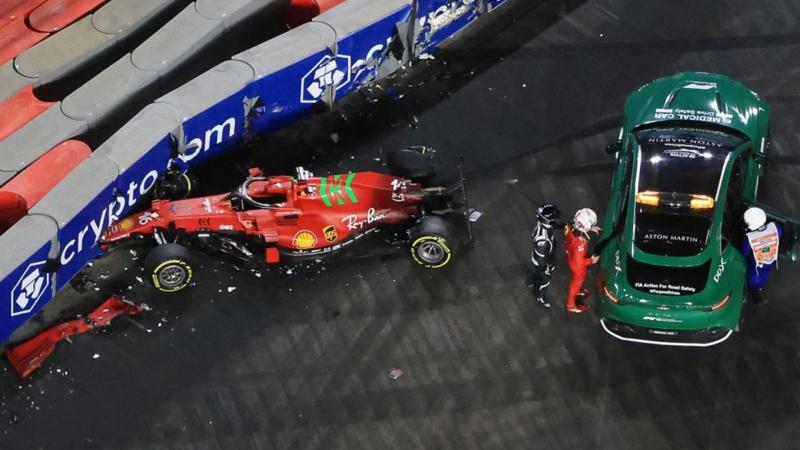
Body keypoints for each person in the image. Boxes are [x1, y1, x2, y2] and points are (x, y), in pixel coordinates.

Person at [741, 207, 781, 304]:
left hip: (756, 266)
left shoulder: (749, 238)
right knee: (764, 277)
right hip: (771, 261)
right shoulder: (776, 227)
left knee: (753, 281)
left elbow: (744, 253)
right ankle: (760, 289)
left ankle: (756, 294)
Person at [564, 208, 601, 313]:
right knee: (576, 283)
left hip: (570, 255)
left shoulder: (569, 225)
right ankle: (570, 305)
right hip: (577, 266)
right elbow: (580, 262)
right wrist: (591, 260)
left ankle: (578, 290)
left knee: (576, 282)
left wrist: (590, 228)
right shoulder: (580, 243)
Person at [528, 203, 561, 309]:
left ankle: (531, 282)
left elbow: (554, 225)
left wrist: (565, 225)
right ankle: (540, 296)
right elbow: (542, 259)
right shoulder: (543, 240)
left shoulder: (542, 225)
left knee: (537, 272)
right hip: (542, 261)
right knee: (545, 279)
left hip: (538, 257)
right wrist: (547, 269)